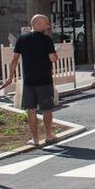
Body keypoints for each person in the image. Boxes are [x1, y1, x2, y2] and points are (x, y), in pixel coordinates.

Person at [5, 14, 58, 146]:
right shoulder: (47, 40)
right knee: (47, 109)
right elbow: (52, 58)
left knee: (31, 110)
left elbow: (14, 60)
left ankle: (35, 140)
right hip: (44, 80)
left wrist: (10, 77)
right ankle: (48, 135)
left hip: (29, 81)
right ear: (39, 24)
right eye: (47, 23)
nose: (48, 26)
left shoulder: (22, 39)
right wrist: (56, 54)